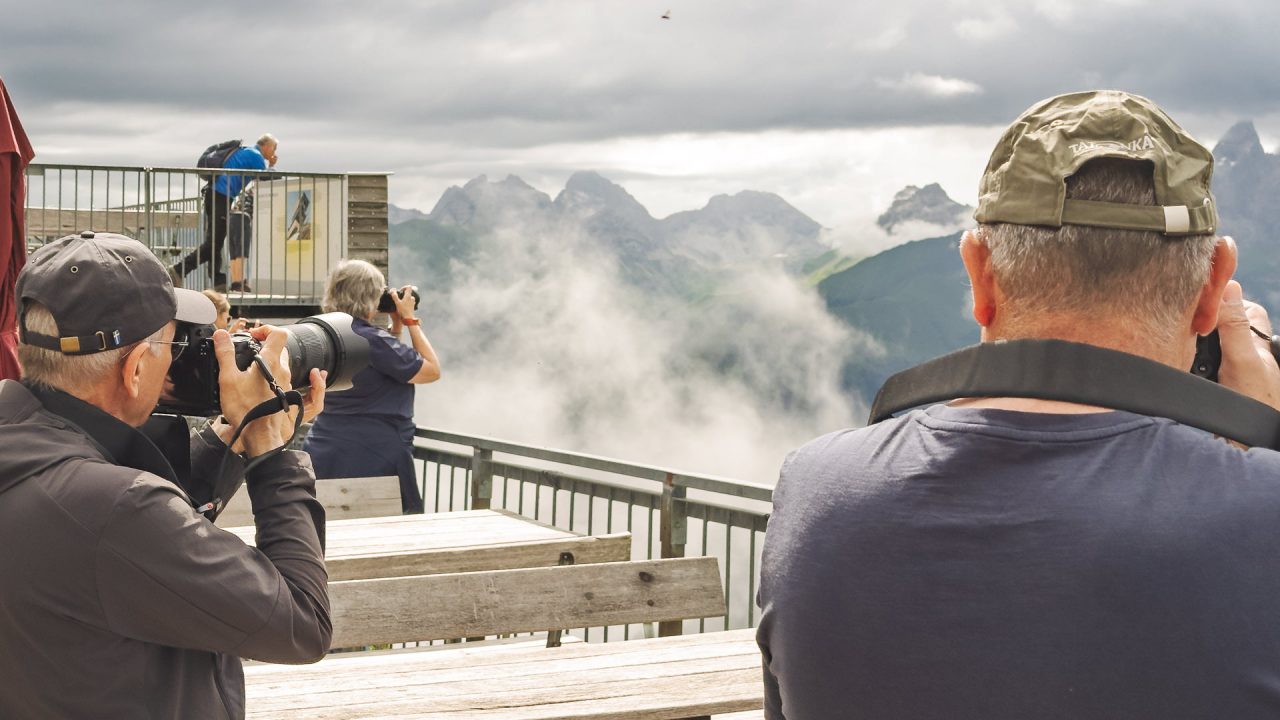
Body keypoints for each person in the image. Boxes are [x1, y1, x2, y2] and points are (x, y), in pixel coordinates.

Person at [757, 90, 1280, 719]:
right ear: (1211, 292)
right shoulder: (1260, 509)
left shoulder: (816, 490)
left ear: (978, 276)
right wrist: (1255, 441)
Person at [0, 231, 331, 717]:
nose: (178, 358)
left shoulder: (28, 454)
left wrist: (232, 435)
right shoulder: (116, 510)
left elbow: (112, 538)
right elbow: (303, 624)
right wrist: (272, 449)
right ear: (134, 369)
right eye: (172, 344)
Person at [303, 259, 441, 513]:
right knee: (386, 536)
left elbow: (381, 367)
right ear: (369, 297)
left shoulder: (322, 332)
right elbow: (431, 370)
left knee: (324, 533)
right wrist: (410, 321)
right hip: (377, 455)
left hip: (325, 448)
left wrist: (395, 329)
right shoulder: (373, 340)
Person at [173, 134, 278, 291]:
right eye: (274, 149)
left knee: (215, 241)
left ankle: (218, 282)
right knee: (213, 243)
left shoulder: (246, 152)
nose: (274, 152)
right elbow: (266, 178)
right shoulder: (256, 156)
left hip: (214, 194)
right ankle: (178, 270)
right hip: (220, 196)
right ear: (267, 146)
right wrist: (271, 165)